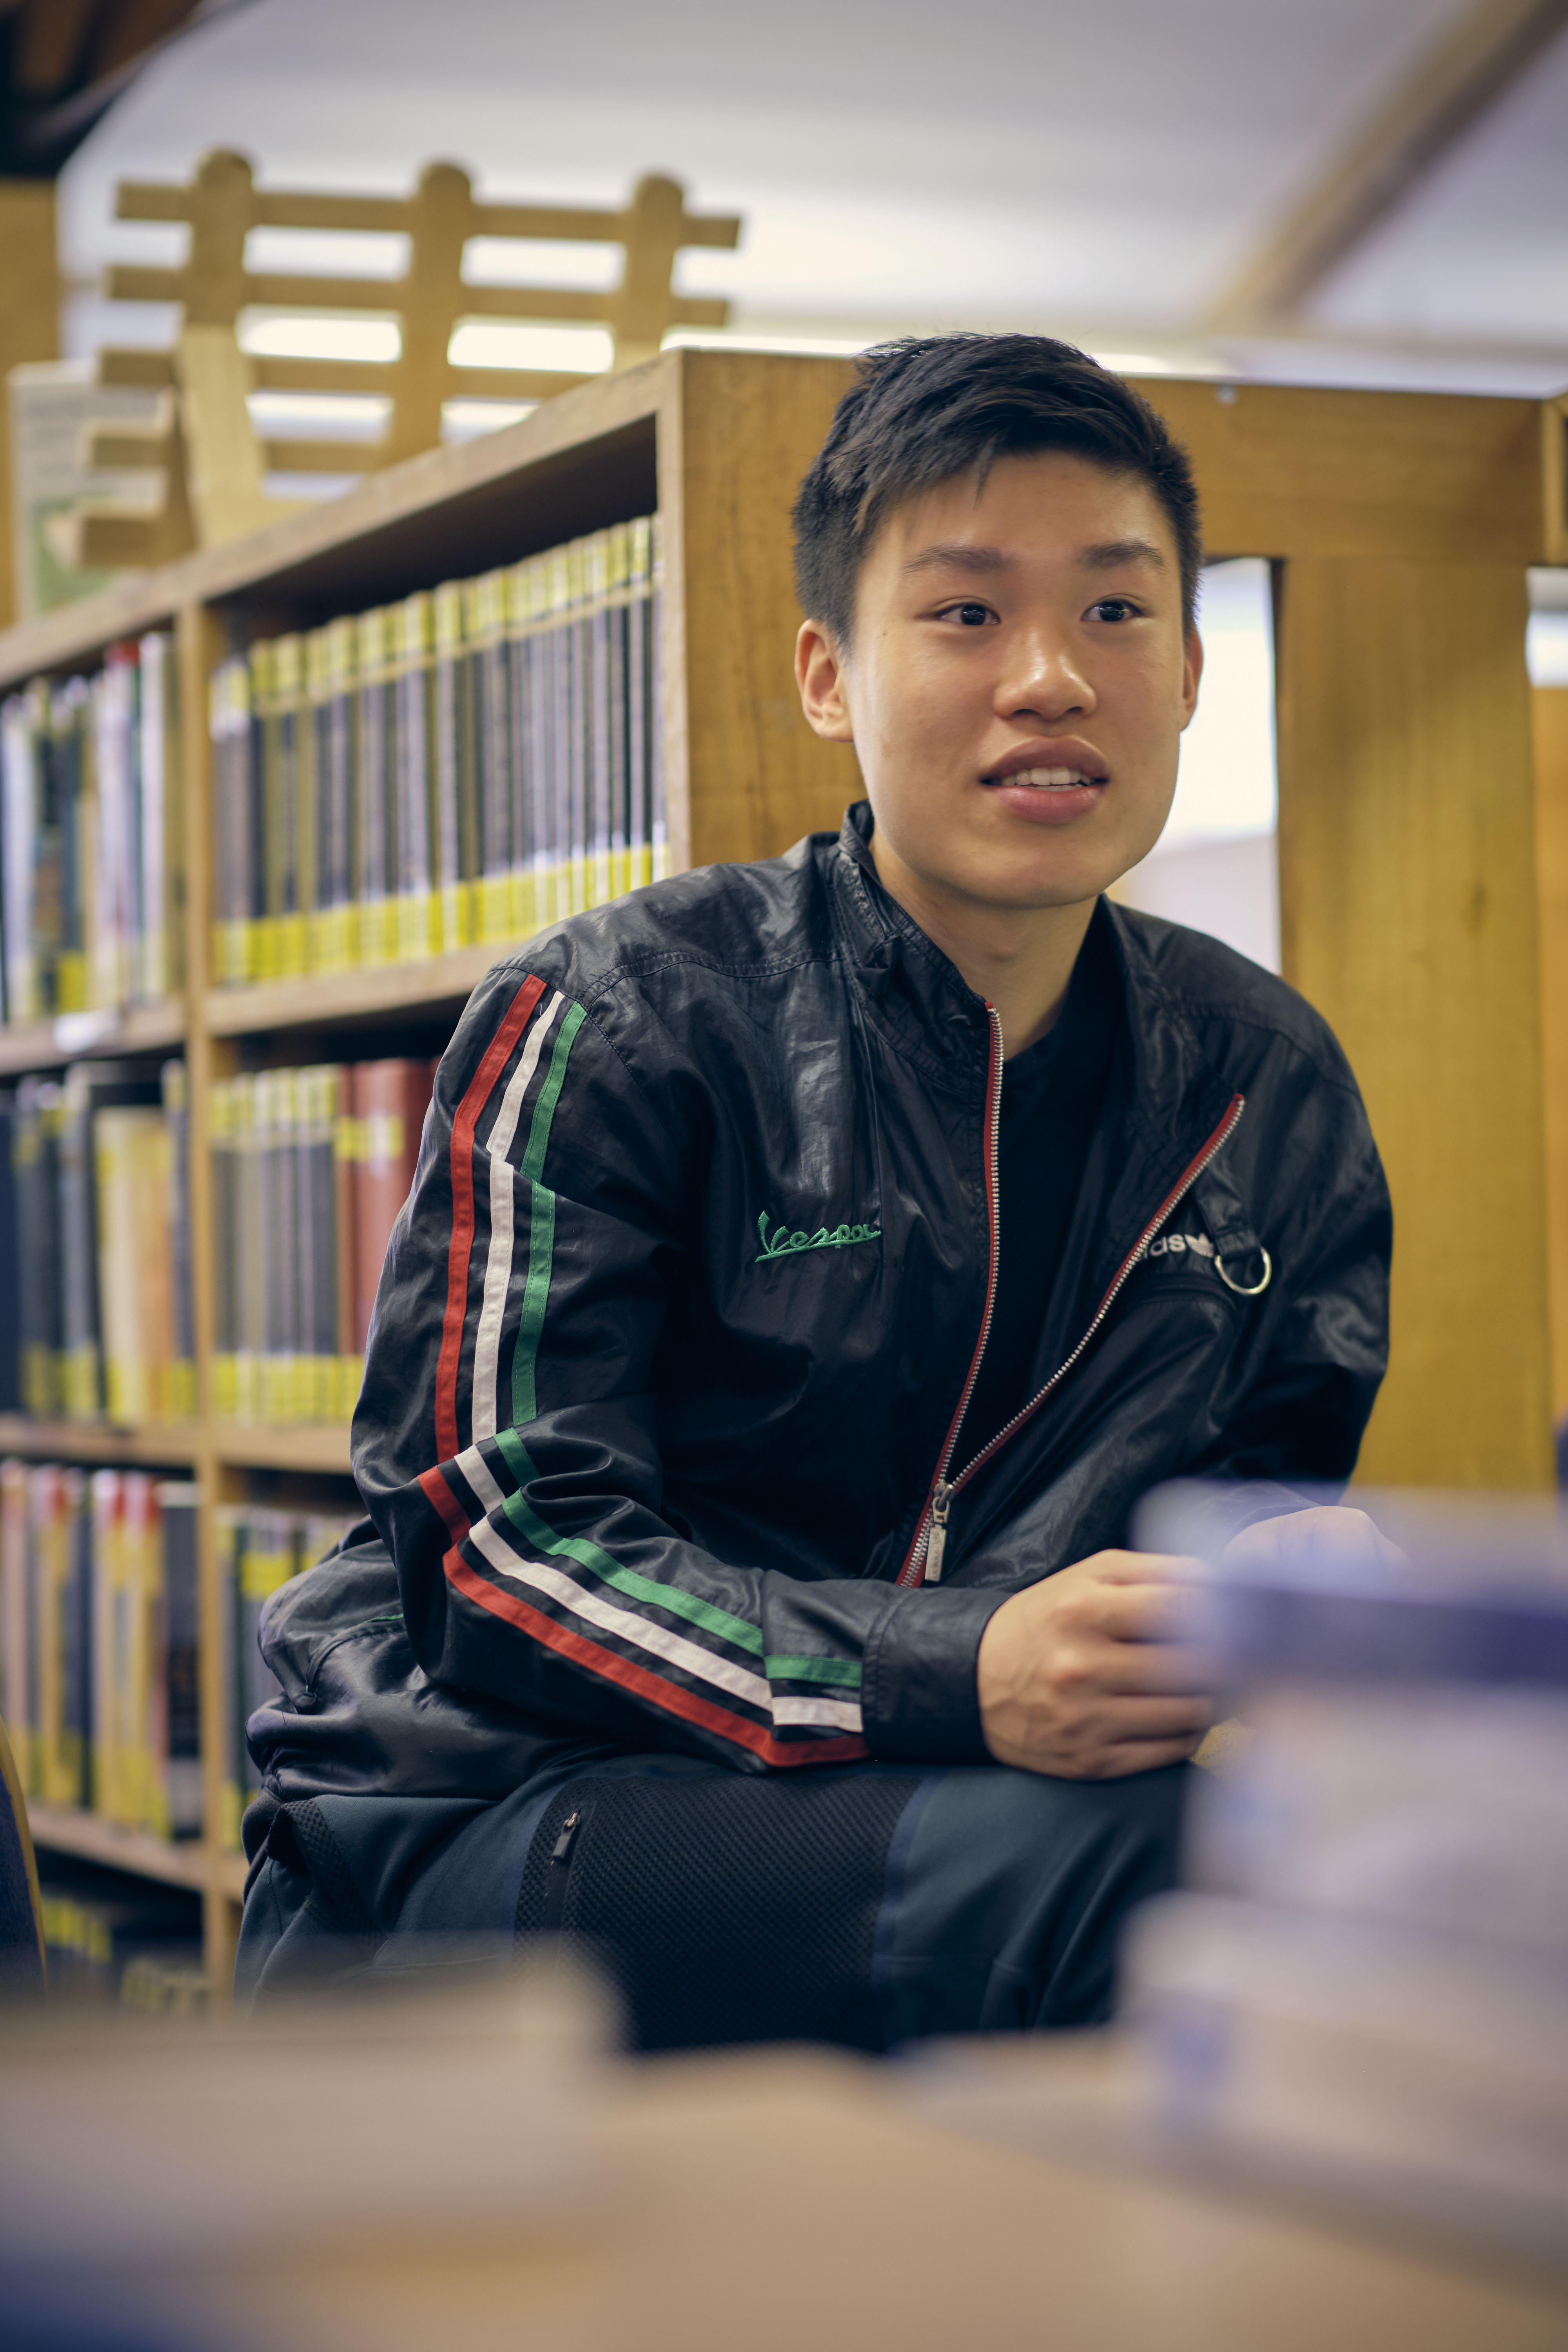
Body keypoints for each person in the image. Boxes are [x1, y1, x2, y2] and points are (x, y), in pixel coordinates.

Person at [239, 335, 1390, 2044]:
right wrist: (953, 1668)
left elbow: (1241, 1503)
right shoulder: (622, 1016)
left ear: (1193, 667)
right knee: (1148, 1875)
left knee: (1380, 1846)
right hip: (507, 1805)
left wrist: (1287, 1596)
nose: (1052, 680)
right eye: (966, 612)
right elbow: (500, 1557)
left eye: (1115, 612)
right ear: (826, 675)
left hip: (956, 1793)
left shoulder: (1264, 1077)